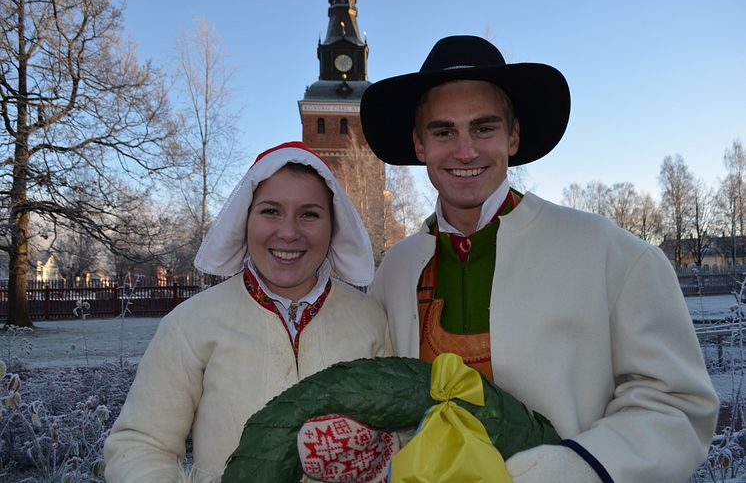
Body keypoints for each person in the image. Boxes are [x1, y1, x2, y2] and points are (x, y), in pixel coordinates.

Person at [358, 35, 719, 482]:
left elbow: (678, 404)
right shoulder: (394, 270)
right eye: (443, 131)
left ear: (513, 136)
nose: (465, 150)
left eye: (484, 128)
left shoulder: (609, 253)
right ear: (419, 145)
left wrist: (582, 465)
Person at [104, 141, 392, 482]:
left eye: (309, 214)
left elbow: (401, 429)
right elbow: (140, 445)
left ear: (333, 227)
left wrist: (379, 460)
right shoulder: (192, 324)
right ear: (245, 219)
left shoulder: (369, 319)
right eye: (270, 211)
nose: (288, 233)